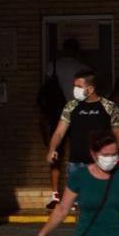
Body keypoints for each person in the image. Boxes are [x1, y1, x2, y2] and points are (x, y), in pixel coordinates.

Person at [46, 70, 119, 187]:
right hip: (76, 164)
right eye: (74, 86)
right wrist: (52, 149)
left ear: (91, 89)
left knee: (100, 200)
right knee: (76, 202)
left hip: (102, 163)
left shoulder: (109, 107)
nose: (75, 89)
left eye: (79, 86)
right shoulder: (71, 106)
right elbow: (59, 133)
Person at [39, 39, 87, 209]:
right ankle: (75, 195)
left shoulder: (53, 65)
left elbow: (46, 87)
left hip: (56, 114)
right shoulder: (82, 68)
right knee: (76, 156)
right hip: (77, 115)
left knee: (55, 155)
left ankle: (55, 195)